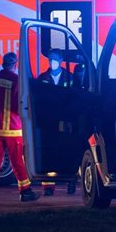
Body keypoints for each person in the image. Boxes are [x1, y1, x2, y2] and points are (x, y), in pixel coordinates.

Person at [0, 52, 39, 205]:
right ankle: (25, 191)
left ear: (2, 63)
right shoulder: (16, 80)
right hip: (12, 129)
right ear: (15, 65)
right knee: (17, 161)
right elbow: (17, 106)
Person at [36, 48, 77, 196]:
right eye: (50, 58)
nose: (52, 61)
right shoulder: (42, 78)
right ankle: (48, 186)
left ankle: (70, 181)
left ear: (60, 61)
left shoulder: (70, 78)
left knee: (67, 151)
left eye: (55, 59)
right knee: (48, 153)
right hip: (48, 122)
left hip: (66, 122)